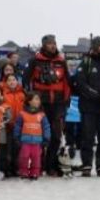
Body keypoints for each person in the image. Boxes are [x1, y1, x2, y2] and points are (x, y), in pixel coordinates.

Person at [25, 35, 70, 176]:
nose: (53, 46)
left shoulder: (61, 61)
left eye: (54, 43)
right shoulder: (34, 61)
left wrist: (66, 100)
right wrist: (30, 100)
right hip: (40, 104)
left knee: (56, 136)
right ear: (44, 45)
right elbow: (26, 81)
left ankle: (51, 165)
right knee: (39, 135)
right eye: (50, 43)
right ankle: (37, 166)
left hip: (58, 104)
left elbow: (67, 83)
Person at [73, 36, 100, 177]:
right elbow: (80, 82)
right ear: (95, 47)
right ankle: (86, 165)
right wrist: (93, 93)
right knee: (87, 137)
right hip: (88, 107)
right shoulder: (86, 62)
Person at [15, 91, 50, 180]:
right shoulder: (22, 114)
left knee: (36, 158)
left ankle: (35, 172)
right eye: (36, 99)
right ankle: (24, 171)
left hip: (37, 141)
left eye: (39, 100)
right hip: (25, 141)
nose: (38, 101)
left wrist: (46, 138)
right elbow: (18, 126)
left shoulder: (42, 115)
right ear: (29, 101)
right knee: (24, 157)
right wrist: (17, 137)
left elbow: (46, 127)